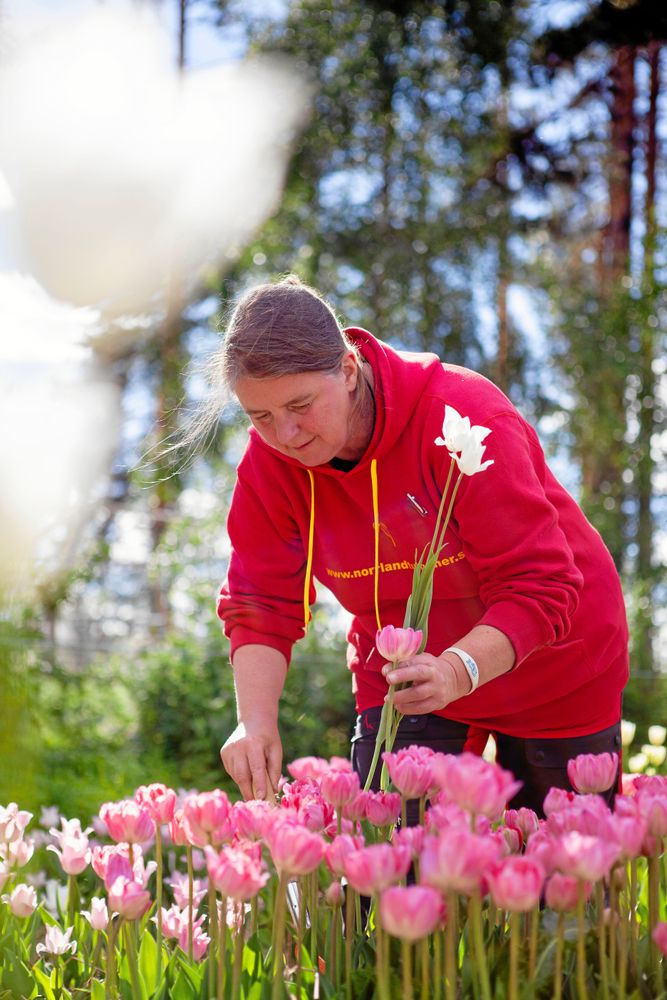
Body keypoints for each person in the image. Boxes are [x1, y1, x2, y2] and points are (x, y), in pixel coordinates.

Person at [215, 275, 628, 816]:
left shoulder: (460, 416)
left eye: (300, 404)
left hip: (552, 666)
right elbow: (262, 602)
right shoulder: (269, 466)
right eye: (260, 416)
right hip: (408, 678)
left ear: (346, 368)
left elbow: (540, 584)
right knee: (394, 877)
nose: (286, 435)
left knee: (557, 884)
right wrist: (256, 720)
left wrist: (458, 671)